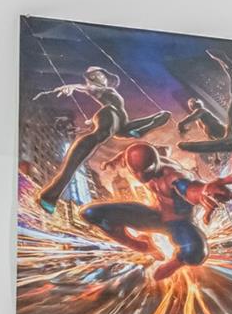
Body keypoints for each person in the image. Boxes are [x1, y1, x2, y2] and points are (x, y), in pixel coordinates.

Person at [79, 142, 232, 282]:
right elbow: (127, 154)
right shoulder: (139, 158)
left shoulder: (172, 176)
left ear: (154, 163)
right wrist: (111, 162)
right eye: (134, 172)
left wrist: (203, 191)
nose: (139, 177)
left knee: (195, 252)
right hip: (153, 215)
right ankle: (143, 246)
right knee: (91, 213)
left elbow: (188, 188)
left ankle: (176, 262)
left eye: (144, 171)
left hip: (178, 223)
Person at [32, 66, 169, 210]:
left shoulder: (109, 91)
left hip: (120, 122)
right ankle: (50, 196)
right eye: (95, 75)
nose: (100, 78)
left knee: (125, 131)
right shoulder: (94, 88)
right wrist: (70, 86)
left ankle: (149, 124)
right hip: (109, 114)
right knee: (100, 136)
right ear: (91, 78)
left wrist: (155, 119)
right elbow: (84, 87)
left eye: (102, 75)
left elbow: (124, 124)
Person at [175, 51, 232, 156]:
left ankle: (230, 70)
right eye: (191, 103)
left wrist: (181, 124)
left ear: (198, 103)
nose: (192, 102)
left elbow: (193, 117)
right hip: (229, 141)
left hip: (231, 136)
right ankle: (230, 70)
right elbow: (211, 138)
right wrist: (216, 157)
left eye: (193, 101)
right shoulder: (202, 124)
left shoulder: (201, 111)